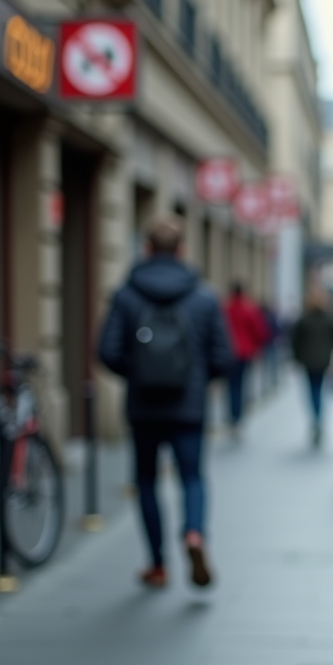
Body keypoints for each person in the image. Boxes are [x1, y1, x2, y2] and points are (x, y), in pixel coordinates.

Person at [98, 215, 233, 589]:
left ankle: (157, 564)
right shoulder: (204, 296)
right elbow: (224, 357)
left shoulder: (126, 295)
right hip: (189, 406)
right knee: (192, 477)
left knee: (146, 480)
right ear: (182, 250)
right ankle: (194, 533)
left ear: (146, 249)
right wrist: (196, 379)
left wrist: (139, 372)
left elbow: (107, 351)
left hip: (144, 407)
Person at [289, 287, 333, 447]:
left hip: (308, 361)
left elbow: (295, 342)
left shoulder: (304, 320)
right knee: (321, 389)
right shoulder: (331, 319)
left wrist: (296, 358)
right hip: (325, 360)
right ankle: (319, 418)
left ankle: (316, 418)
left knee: (312, 389)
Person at [223, 282, 269, 440]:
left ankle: (232, 417)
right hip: (244, 353)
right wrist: (258, 347)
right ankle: (238, 418)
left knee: (231, 386)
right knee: (241, 385)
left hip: (229, 352)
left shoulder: (226, 309)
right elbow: (259, 331)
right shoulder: (249, 309)